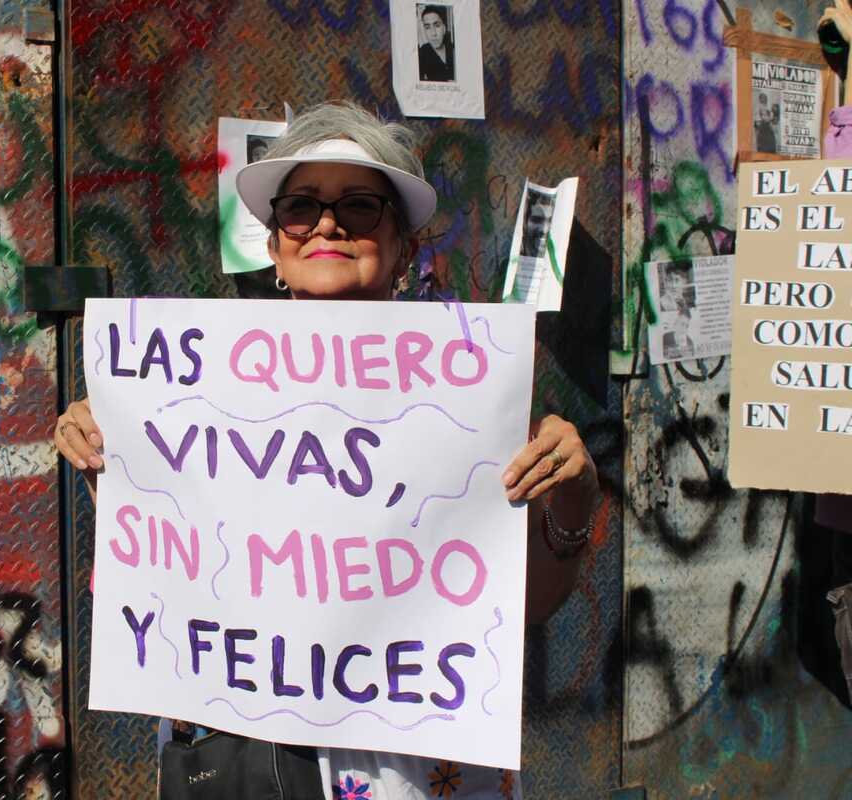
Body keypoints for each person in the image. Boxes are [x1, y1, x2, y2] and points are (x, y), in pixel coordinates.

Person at [55, 101, 600, 800]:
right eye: (301, 207)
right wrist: (115, 460)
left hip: (405, 763)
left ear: (404, 243)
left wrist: (573, 496)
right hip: (242, 748)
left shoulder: (468, 389)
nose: (327, 225)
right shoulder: (191, 382)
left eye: (361, 206)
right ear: (277, 244)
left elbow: (523, 606)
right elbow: (166, 576)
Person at [418, 6, 455, 82]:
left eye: (437, 25)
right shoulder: (422, 53)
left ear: (444, 29)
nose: (433, 33)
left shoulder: (454, 48)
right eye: (427, 27)